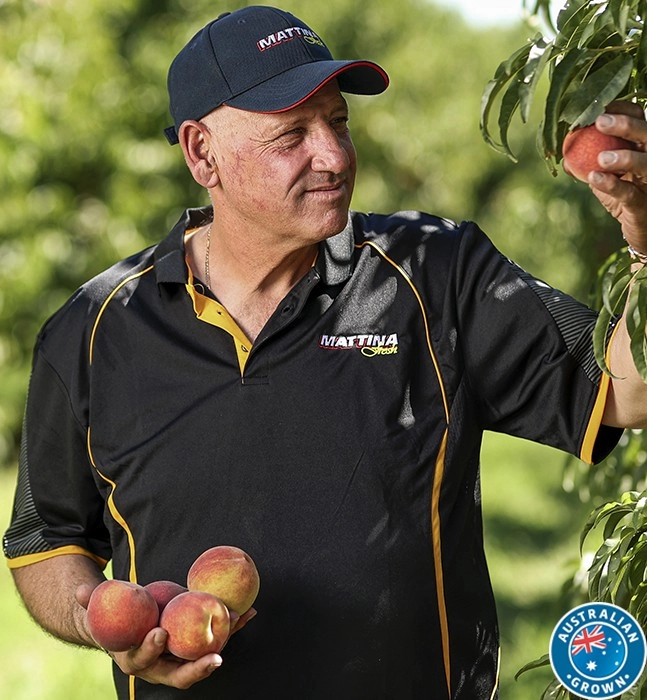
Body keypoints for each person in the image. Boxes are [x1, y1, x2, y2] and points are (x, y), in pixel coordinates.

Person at [4, 5, 647, 699]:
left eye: (337, 123)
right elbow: (48, 542)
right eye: (292, 134)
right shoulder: (95, 328)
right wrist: (105, 622)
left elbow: (623, 393)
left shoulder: (438, 273)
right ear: (201, 153)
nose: (335, 156)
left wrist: (644, 242)